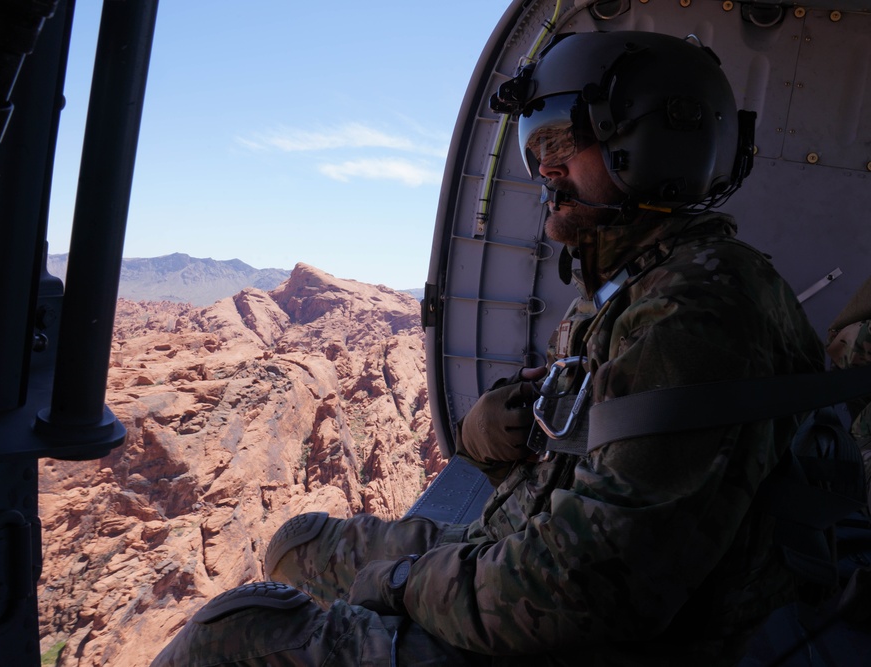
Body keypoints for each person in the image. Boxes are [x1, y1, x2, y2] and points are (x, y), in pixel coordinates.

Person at [151, 30, 826, 666]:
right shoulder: (632, 285)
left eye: (564, 139)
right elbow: (595, 472)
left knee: (232, 638)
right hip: (520, 543)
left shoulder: (694, 313)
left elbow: (584, 592)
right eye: (537, 144)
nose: (544, 165)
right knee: (296, 545)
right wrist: (492, 435)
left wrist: (407, 582)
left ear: (655, 146)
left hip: (598, 630)